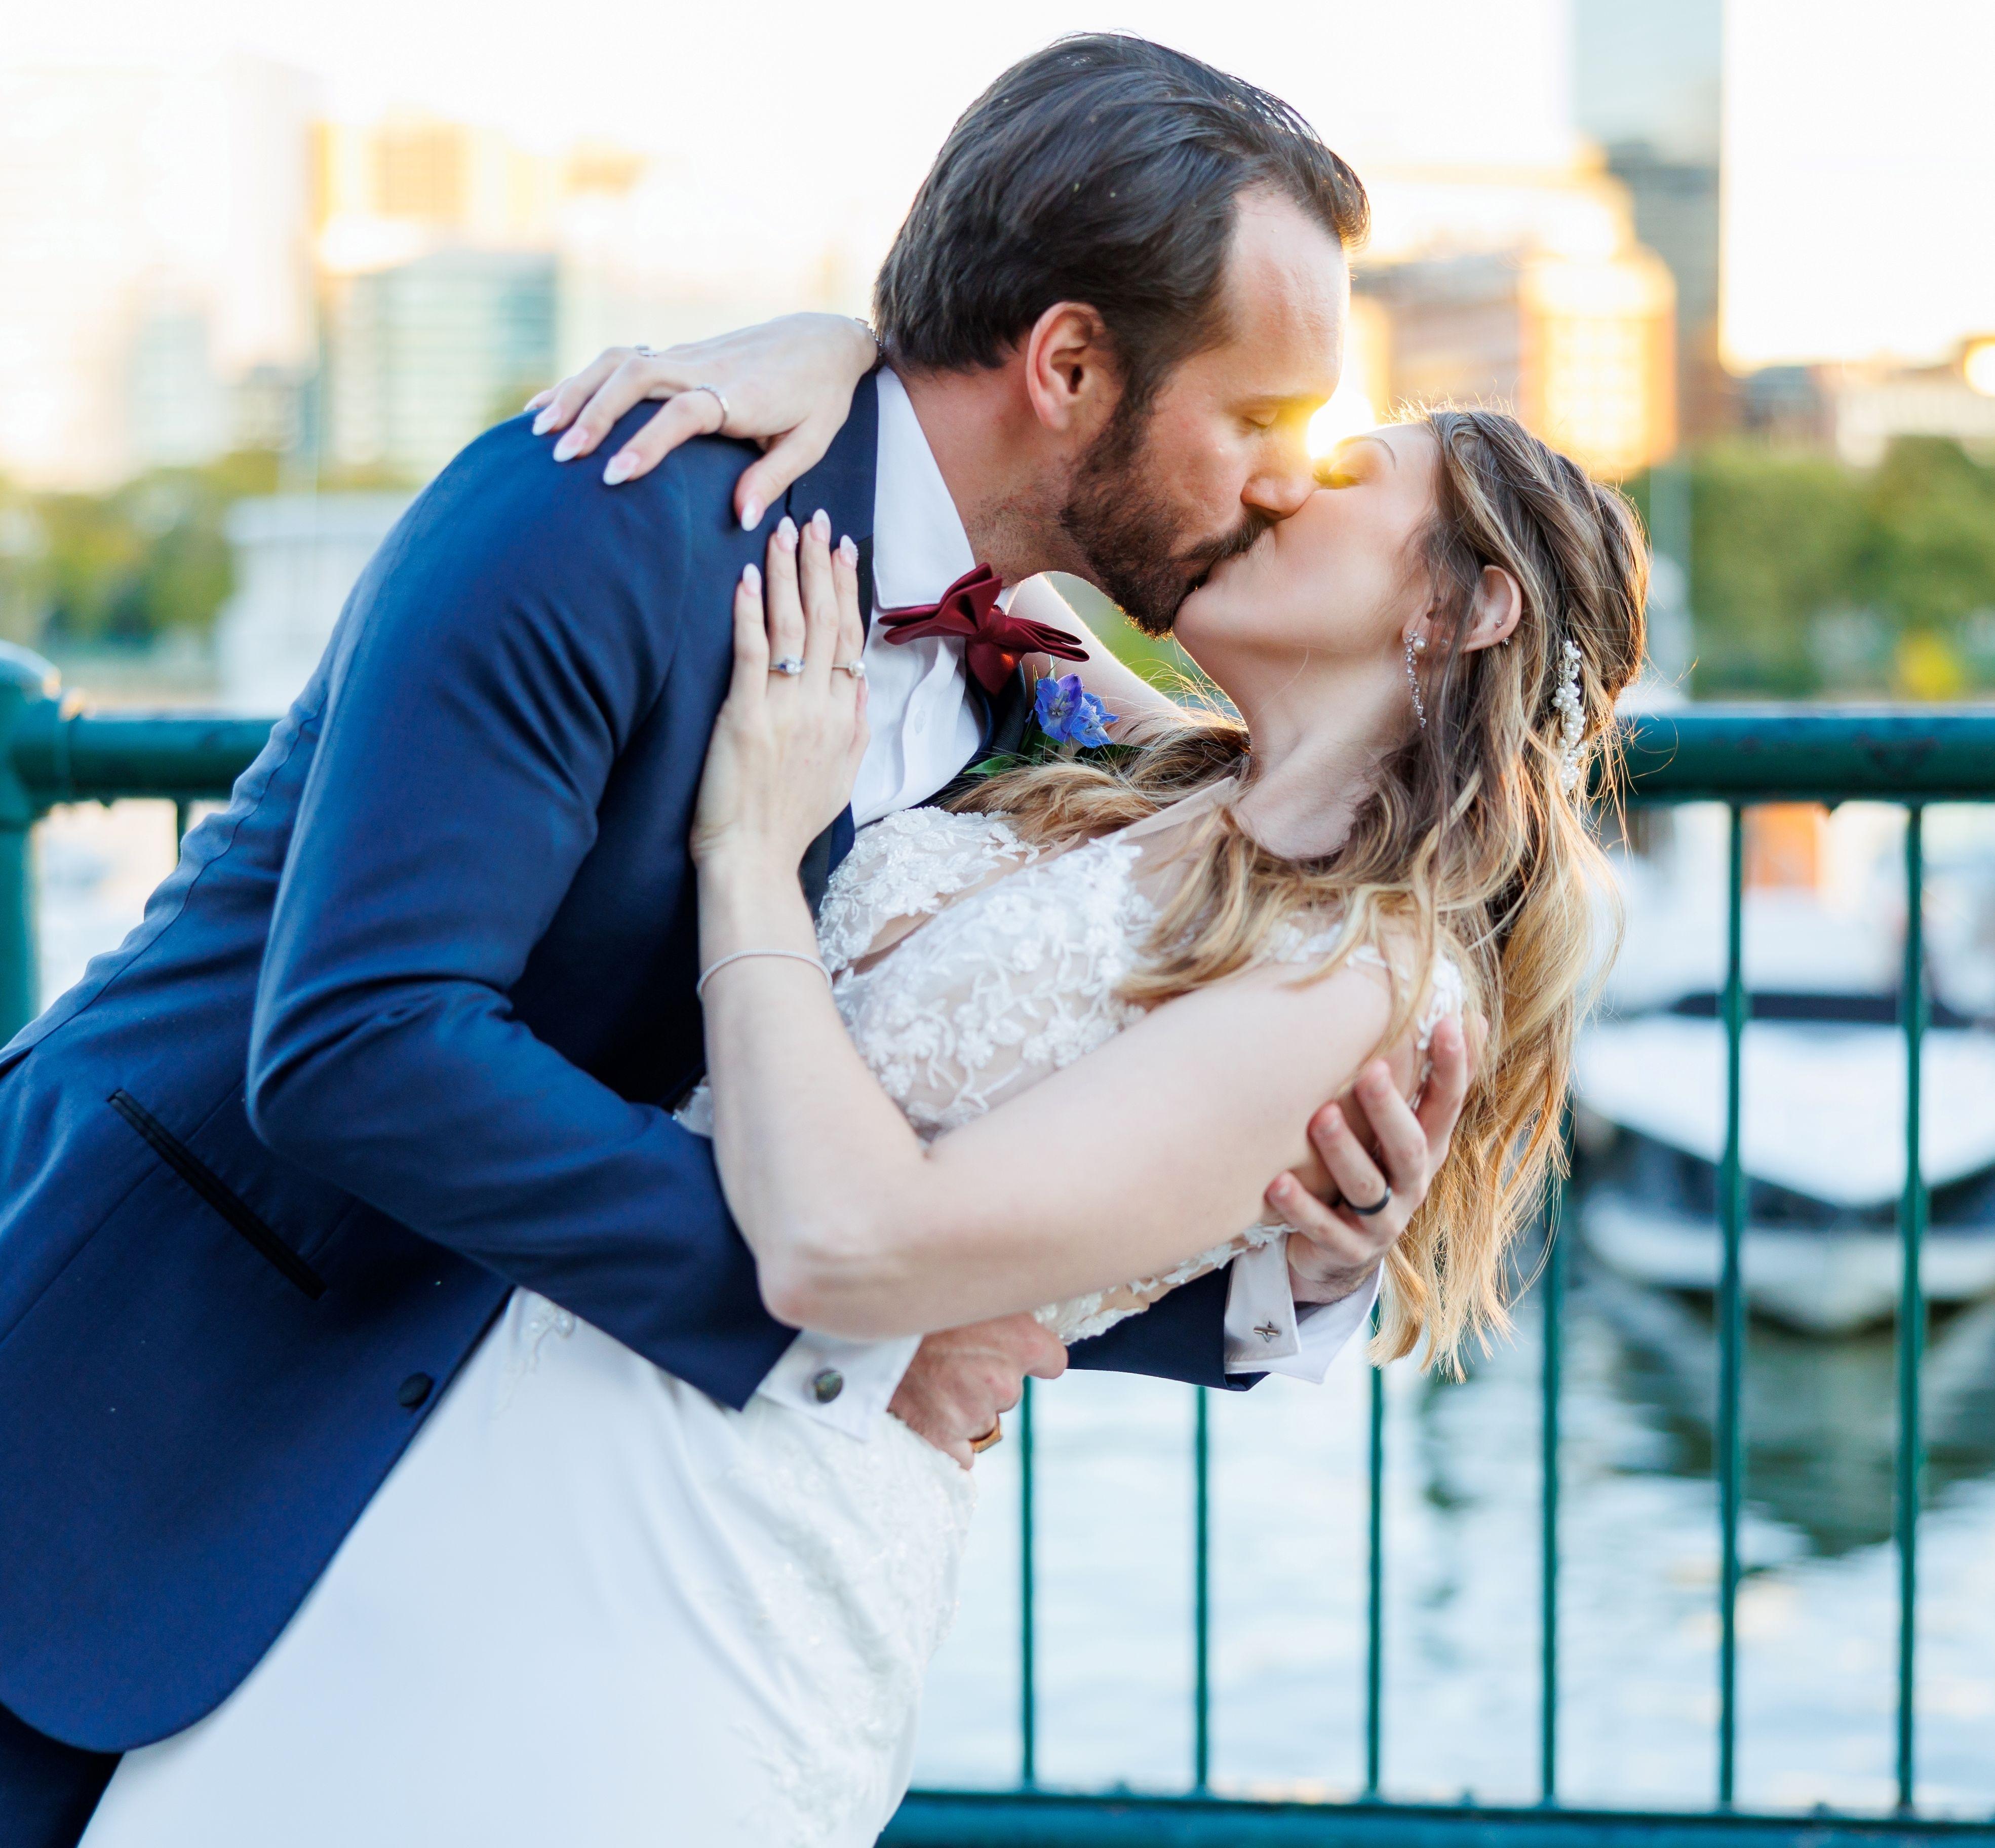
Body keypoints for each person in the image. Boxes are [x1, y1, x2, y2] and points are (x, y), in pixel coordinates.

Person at [0, 36, 1471, 1848]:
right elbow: (359, 1042)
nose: (1276, 483)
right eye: (1256, 418)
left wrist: (1283, 1256)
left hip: (504, 1562)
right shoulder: (599, 513)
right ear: (1070, 365)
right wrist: (845, 1327)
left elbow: (948, 1171)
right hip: (119, 1414)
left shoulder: (1053, 706)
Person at [75, 396, 1646, 1847]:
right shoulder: (1124, 753)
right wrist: (827, 347)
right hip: (488, 1432)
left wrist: (750, 858)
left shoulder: (1358, 972)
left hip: (731, 1549)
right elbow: (961, 413)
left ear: (1463, 608)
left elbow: (852, 1238)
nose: (1283, 479)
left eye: (1351, 473)